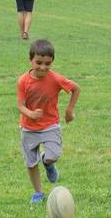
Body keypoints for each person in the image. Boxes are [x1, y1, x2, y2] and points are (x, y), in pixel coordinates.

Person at [16, 39, 81, 203]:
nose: (43, 68)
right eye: (39, 63)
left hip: (50, 125)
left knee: (54, 154)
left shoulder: (55, 78)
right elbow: (20, 106)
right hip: (28, 127)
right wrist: (30, 114)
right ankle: (38, 192)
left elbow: (75, 89)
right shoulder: (23, 81)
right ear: (30, 60)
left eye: (47, 64)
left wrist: (69, 110)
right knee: (31, 163)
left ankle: (48, 163)